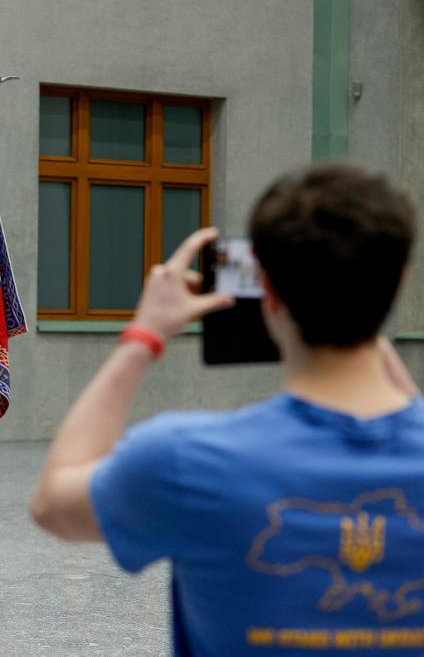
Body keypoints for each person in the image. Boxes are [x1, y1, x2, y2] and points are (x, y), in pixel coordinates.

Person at [31, 162, 424, 655]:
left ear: (267, 291)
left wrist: (143, 336)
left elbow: (53, 505)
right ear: (399, 282)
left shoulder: (185, 459)